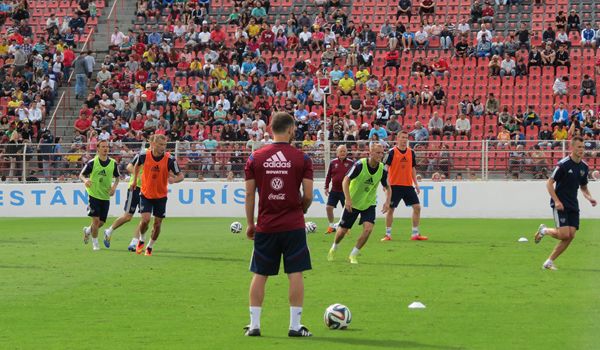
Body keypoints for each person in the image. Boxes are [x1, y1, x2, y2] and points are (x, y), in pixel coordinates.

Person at [243, 112, 314, 337]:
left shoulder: (255, 157)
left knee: (260, 273)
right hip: (293, 225)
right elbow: (309, 195)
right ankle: (295, 326)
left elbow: (249, 195)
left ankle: (254, 325)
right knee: (295, 273)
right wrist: (300, 210)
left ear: (270, 129)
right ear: (292, 129)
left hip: (266, 225)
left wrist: (250, 223)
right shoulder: (302, 158)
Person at [534, 136, 597, 270]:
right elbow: (549, 183)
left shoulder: (584, 167)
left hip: (573, 204)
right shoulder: (563, 164)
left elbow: (584, 187)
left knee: (571, 235)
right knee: (564, 234)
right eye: (579, 147)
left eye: (583, 147)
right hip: (560, 204)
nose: (582, 149)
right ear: (572, 148)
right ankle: (544, 230)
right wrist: (556, 201)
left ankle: (549, 262)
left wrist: (589, 197)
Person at [327, 143, 391, 264]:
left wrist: (387, 202)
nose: (380, 155)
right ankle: (334, 247)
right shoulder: (360, 165)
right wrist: (348, 199)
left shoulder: (382, 169)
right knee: (342, 232)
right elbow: (345, 180)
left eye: (382, 153)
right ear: (370, 153)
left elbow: (388, 187)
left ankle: (353, 255)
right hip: (353, 203)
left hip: (369, 203)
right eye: (378, 153)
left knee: (368, 229)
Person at [129, 134, 184, 256]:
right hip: (146, 193)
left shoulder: (170, 159)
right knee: (145, 220)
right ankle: (141, 240)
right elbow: (136, 166)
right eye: (160, 144)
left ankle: (149, 246)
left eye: (164, 145)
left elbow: (181, 176)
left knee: (157, 224)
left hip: (161, 196)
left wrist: (174, 180)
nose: (163, 147)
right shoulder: (144, 155)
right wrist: (134, 181)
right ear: (153, 144)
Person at [382, 131, 428, 241]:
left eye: (406, 138)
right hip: (394, 186)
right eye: (402, 137)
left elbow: (412, 169)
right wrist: (385, 184)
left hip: (408, 185)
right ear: (397, 138)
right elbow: (385, 168)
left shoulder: (411, 152)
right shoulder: (391, 152)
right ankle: (388, 235)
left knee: (417, 207)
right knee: (391, 209)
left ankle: (415, 234)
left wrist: (416, 184)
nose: (404, 139)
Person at [79, 140, 120, 251]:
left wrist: (114, 188)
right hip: (93, 194)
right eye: (103, 147)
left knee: (100, 222)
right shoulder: (92, 162)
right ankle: (95, 244)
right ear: (98, 149)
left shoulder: (113, 163)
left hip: (105, 196)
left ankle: (87, 230)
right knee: (96, 221)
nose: (105, 148)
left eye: (107, 146)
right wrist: (85, 180)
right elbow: (81, 174)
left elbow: (117, 177)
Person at [103, 154, 145, 251]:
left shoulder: (161, 157)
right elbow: (129, 166)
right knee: (127, 217)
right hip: (135, 188)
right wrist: (140, 176)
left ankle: (134, 243)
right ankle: (109, 231)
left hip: (147, 191)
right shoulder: (142, 154)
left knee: (145, 218)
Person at [324, 144, 354, 233]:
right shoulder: (333, 162)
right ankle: (331, 226)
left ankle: (346, 228)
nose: (343, 153)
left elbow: (355, 176)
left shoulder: (351, 163)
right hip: (334, 190)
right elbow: (328, 175)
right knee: (328, 207)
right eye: (341, 151)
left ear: (347, 152)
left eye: (344, 151)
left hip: (346, 191)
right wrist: (326, 187)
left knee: (347, 210)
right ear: (337, 153)